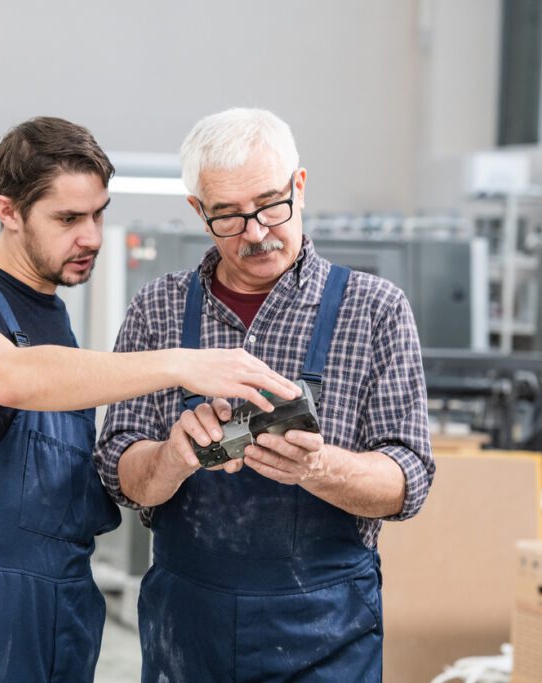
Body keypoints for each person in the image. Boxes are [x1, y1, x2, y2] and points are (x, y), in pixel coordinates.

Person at [0, 116, 299, 683]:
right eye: (68, 218)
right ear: (8, 211)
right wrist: (185, 362)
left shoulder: (56, 320)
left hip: (67, 601)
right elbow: (7, 375)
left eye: (99, 213)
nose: (92, 237)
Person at [94, 108, 436, 681]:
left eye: (270, 205)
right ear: (198, 214)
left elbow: (409, 481)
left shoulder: (374, 310)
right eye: (228, 216)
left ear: (299, 187)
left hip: (325, 632)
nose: (255, 232)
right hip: (187, 628)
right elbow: (116, 469)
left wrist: (317, 466)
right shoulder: (158, 309)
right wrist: (171, 459)